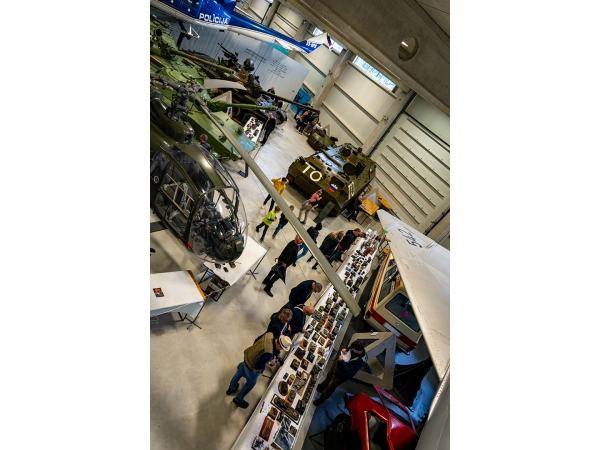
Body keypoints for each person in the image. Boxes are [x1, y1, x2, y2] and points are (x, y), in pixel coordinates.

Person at [226, 333, 292, 408]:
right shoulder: (269, 353)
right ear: (279, 346)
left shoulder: (269, 335)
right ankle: (238, 399)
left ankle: (231, 388)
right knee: (250, 384)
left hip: (248, 356)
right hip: (251, 368)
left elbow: (256, 341)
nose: (281, 350)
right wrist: (270, 362)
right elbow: (258, 366)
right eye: (282, 349)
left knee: (239, 372)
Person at [313, 340, 366, 406]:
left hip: (342, 375)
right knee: (328, 377)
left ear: (359, 350)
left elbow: (349, 371)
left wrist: (341, 361)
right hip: (338, 366)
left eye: (353, 349)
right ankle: (320, 388)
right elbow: (351, 347)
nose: (352, 349)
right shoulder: (356, 347)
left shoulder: (360, 361)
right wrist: (346, 349)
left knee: (330, 387)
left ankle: (320, 400)